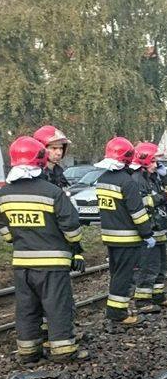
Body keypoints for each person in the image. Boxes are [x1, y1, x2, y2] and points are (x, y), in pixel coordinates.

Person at [0, 136, 86, 363]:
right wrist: (75, 248)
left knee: (27, 309)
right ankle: (63, 351)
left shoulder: (4, 194)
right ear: (40, 160)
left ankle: (28, 352)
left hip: (22, 263)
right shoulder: (51, 192)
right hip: (53, 263)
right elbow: (71, 227)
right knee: (57, 307)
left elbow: (3, 226)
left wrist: (13, 238)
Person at [94, 137, 154, 325]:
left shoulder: (102, 179)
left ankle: (116, 308)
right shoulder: (127, 182)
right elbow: (138, 213)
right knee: (125, 275)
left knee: (116, 273)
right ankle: (118, 313)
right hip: (127, 238)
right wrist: (147, 234)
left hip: (109, 236)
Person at [132, 143, 167, 310]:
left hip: (160, 228)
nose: (156, 165)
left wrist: (166, 177)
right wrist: (163, 196)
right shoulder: (137, 179)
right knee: (148, 267)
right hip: (149, 229)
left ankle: (158, 296)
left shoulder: (155, 176)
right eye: (153, 161)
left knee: (160, 265)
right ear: (144, 160)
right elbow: (144, 203)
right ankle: (142, 301)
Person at [33, 126, 71, 192]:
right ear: (41, 149)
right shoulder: (34, 175)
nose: (59, 153)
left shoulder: (59, 173)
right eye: (54, 148)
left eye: (61, 148)